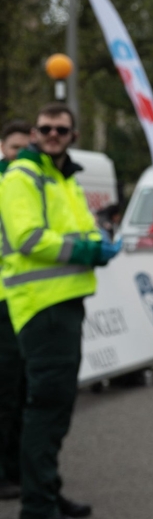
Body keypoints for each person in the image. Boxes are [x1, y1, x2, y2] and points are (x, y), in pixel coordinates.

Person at [0, 103, 121, 519]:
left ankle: (46, 492)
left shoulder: (62, 178)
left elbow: (85, 227)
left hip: (63, 302)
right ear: (34, 134)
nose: (53, 134)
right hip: (41, 305)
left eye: (61, 129)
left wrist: (99, 242)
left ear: (74, 136)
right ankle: (37, 505)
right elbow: (29, 238)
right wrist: (89, 249)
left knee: (55, 408)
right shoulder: (23, 176)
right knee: (45, 408)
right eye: (46, 128)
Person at [0, 120, 31, 502]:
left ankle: (19, 468)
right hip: (3, 305)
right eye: (13, 150)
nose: (18, 157)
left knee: (25, 389)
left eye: (26, 150)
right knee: (6, 391)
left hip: (29, 303)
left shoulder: (31, 187)